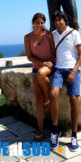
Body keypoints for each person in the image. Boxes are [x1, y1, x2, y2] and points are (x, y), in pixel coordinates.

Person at [50, 11, 81, 151]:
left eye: (60, 20)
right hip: (58, 69)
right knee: (53, 94)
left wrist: (74, 72)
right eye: (55, 20)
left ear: (65, 20)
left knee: (73, 99)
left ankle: (74, 135)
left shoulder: (74, 33)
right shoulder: (53, 34)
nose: (58, 23)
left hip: (73, 69)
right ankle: (55, 130)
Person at [24, 13, 55, 141]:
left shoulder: (48, 35)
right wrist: (42, 63)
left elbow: (54, 50)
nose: (39, 25)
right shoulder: (27, 38)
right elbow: (29, 57)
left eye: (42, 22)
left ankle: (47, 99)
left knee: (42, 73)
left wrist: (53, 63)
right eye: (37, 22)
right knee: (38, 98)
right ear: (33, 23)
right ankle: (41, 131)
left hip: (50, 65)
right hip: (37, 66)